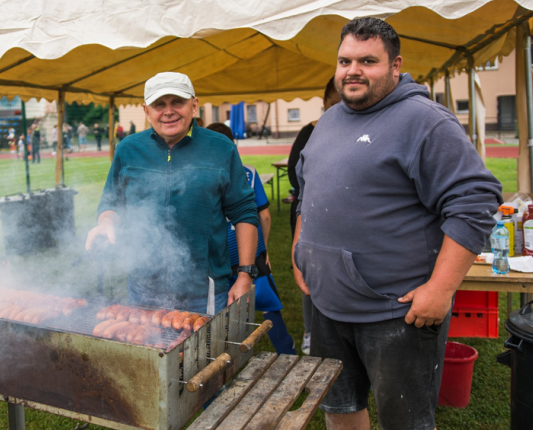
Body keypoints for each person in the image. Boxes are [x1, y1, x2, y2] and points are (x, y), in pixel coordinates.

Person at [291, 17, 502, 430]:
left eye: (367, 61)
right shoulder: (330, 120)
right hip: (326, 304)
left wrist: (440, 290)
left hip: (395, 310)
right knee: (339, 406)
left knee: (404, 421)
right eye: (345, 60)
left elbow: (475, 201)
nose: (352, 70)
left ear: (395, 65)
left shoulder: (425, 121)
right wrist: (302, 250)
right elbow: (306, 187)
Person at [86, 72, 259, 314]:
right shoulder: (128, 149)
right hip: (142, 288)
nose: (168, 111)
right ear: (146, 111)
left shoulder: (221, 148)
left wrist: (245, 274)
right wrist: (106, 222)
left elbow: (244, 212)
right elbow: (111, 202)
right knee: (146, 351)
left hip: (204, 292)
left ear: (194, 105)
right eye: (159, 105)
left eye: (177, 102)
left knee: (205, 353)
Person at [207, 122, 295, 355]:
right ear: (233, 145)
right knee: (269, 308)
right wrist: (262, 250)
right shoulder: (249, 171)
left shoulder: (200, 175)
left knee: (220, 313)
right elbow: (263, 216)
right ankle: (287, 354)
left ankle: (224, 359)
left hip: (219, 258)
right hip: (251, 255)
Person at [286, 77, 341, 355]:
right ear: (324, 103)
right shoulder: (312, 132)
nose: (339, 108)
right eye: (334, 104)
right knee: (311, 276)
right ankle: (311, 332)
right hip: (309, 217)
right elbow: (298, 178)